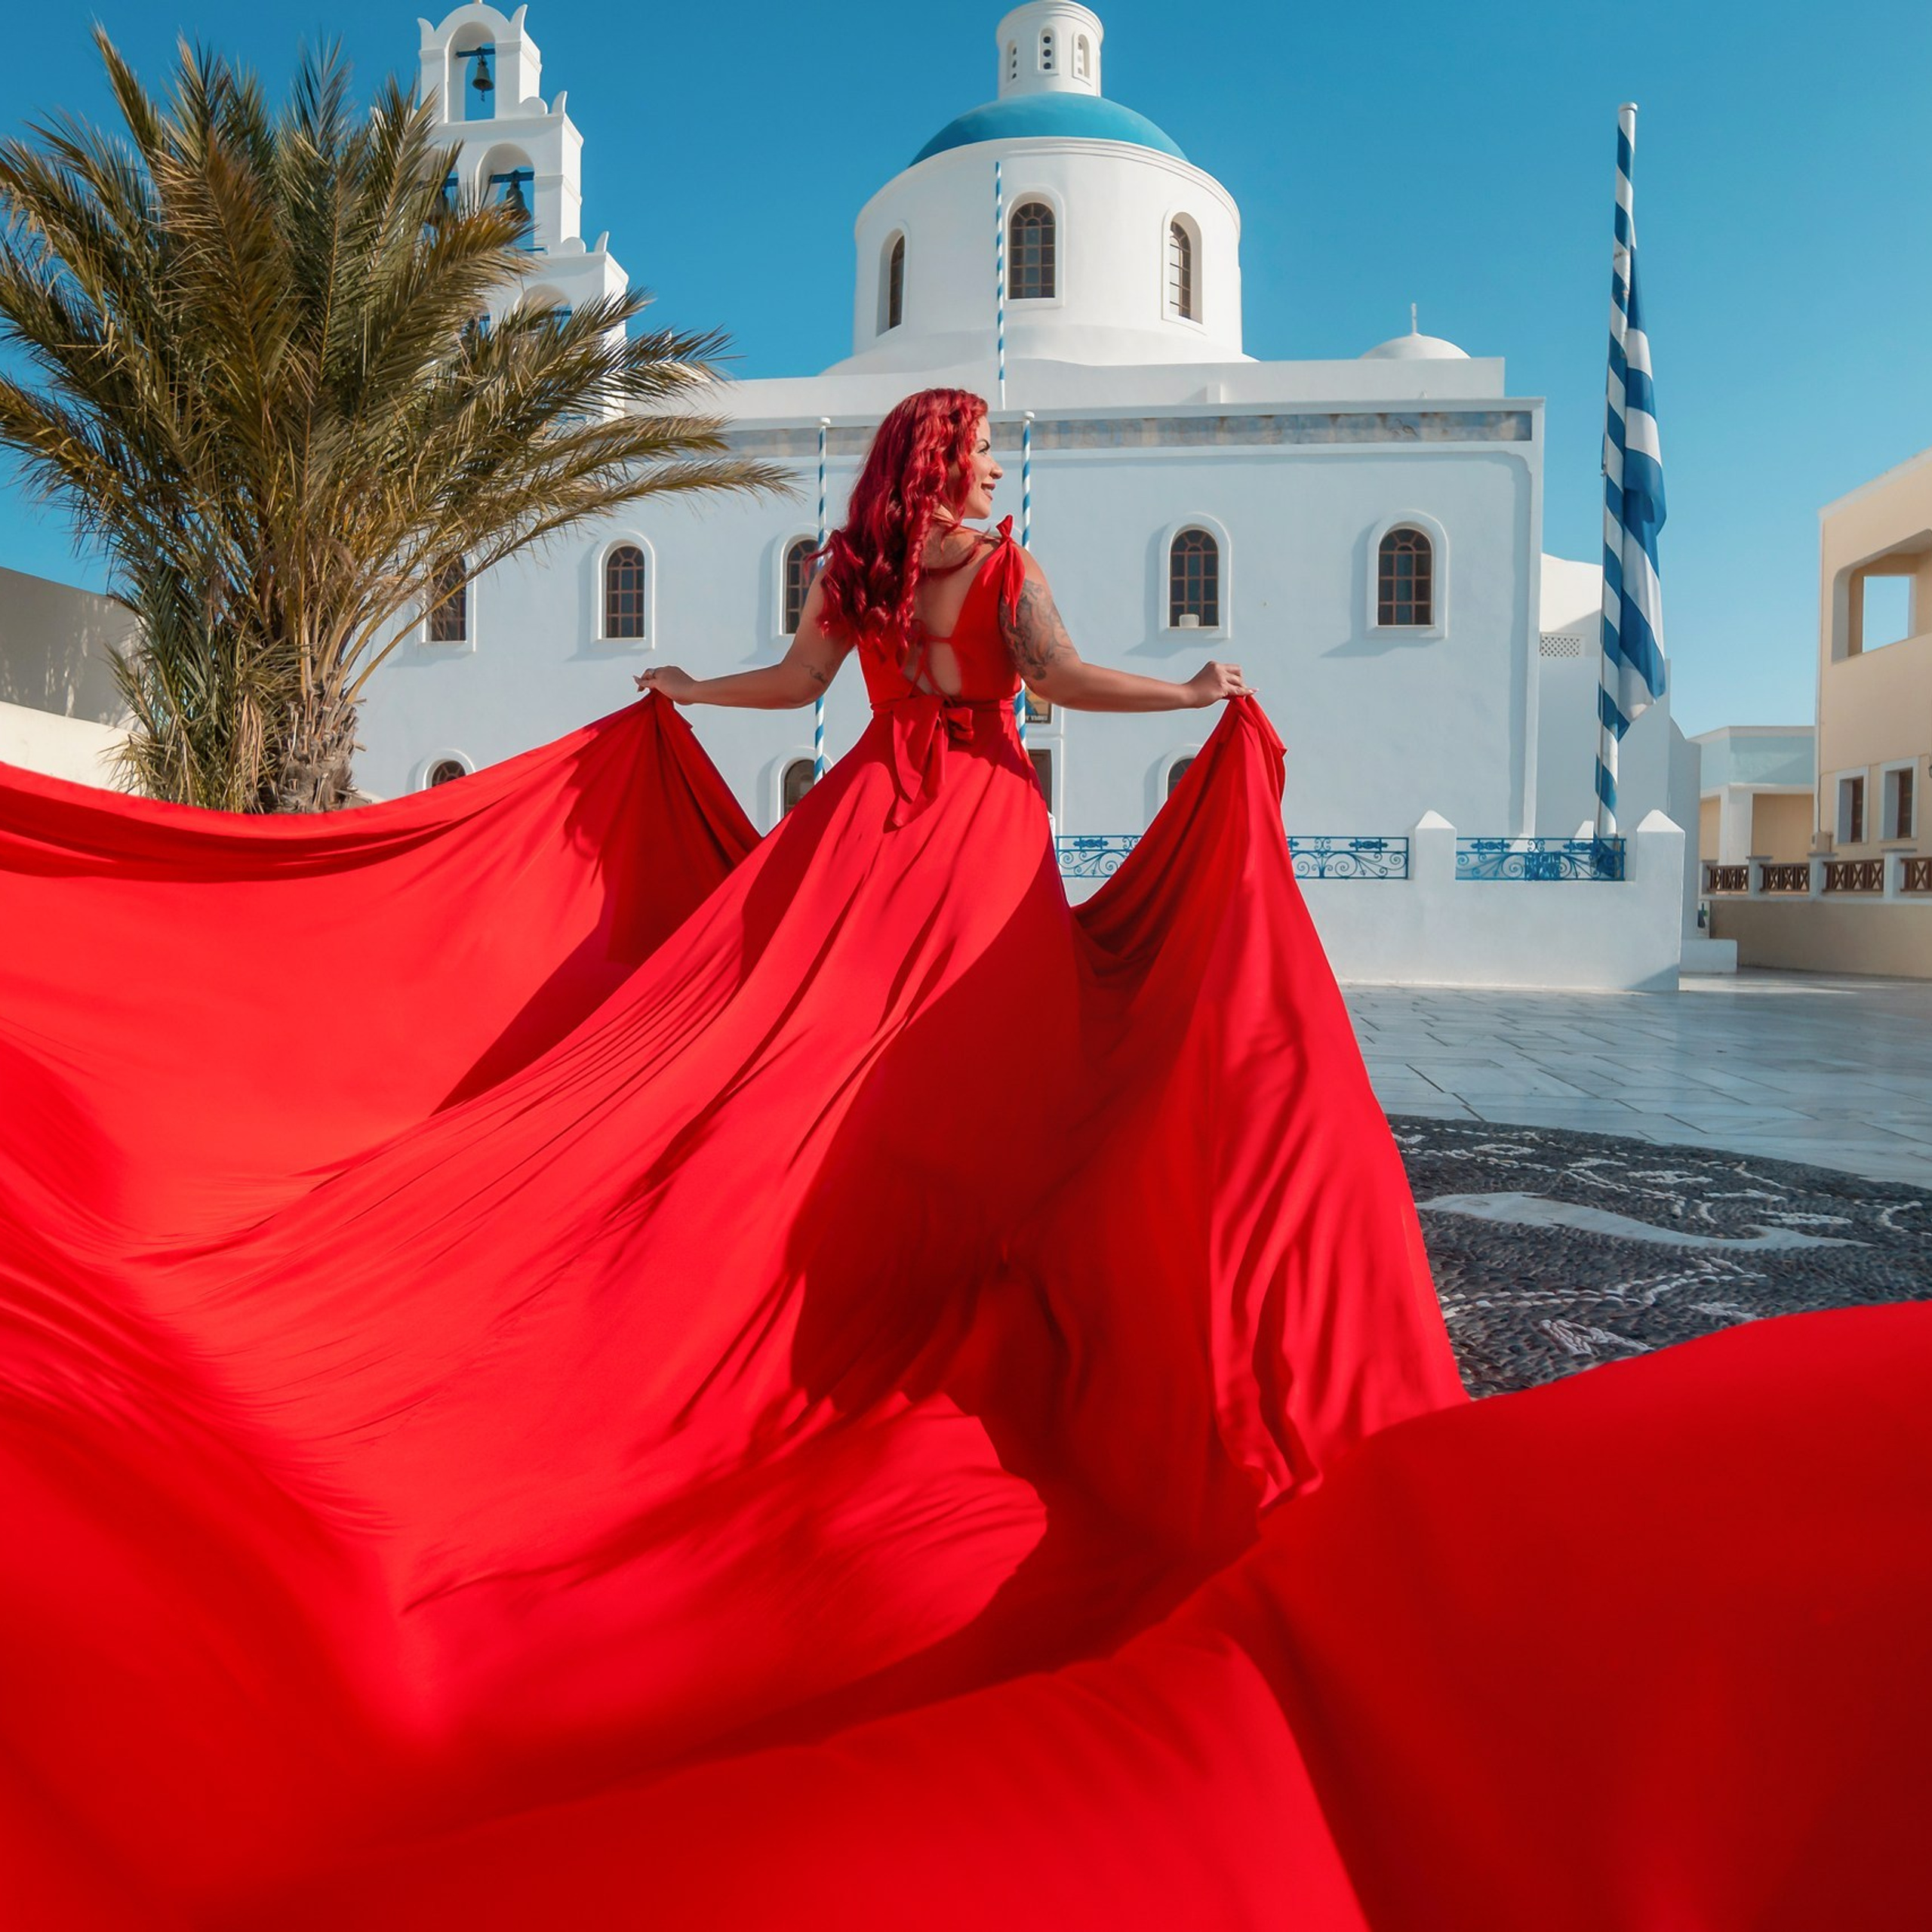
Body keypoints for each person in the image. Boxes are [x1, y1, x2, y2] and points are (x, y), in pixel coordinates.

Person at [2, 389, 1924, 1929]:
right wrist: (1194, 703)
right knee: (991, 1110)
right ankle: (955, 1302)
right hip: (975, 842)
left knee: (786, 1095)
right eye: (983, 450)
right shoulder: (994, 566)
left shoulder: (849, 574)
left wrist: (676, 700)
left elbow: (774, 707)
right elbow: (1067, 687)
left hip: (856, 834)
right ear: (952, 464)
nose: (996, 467)